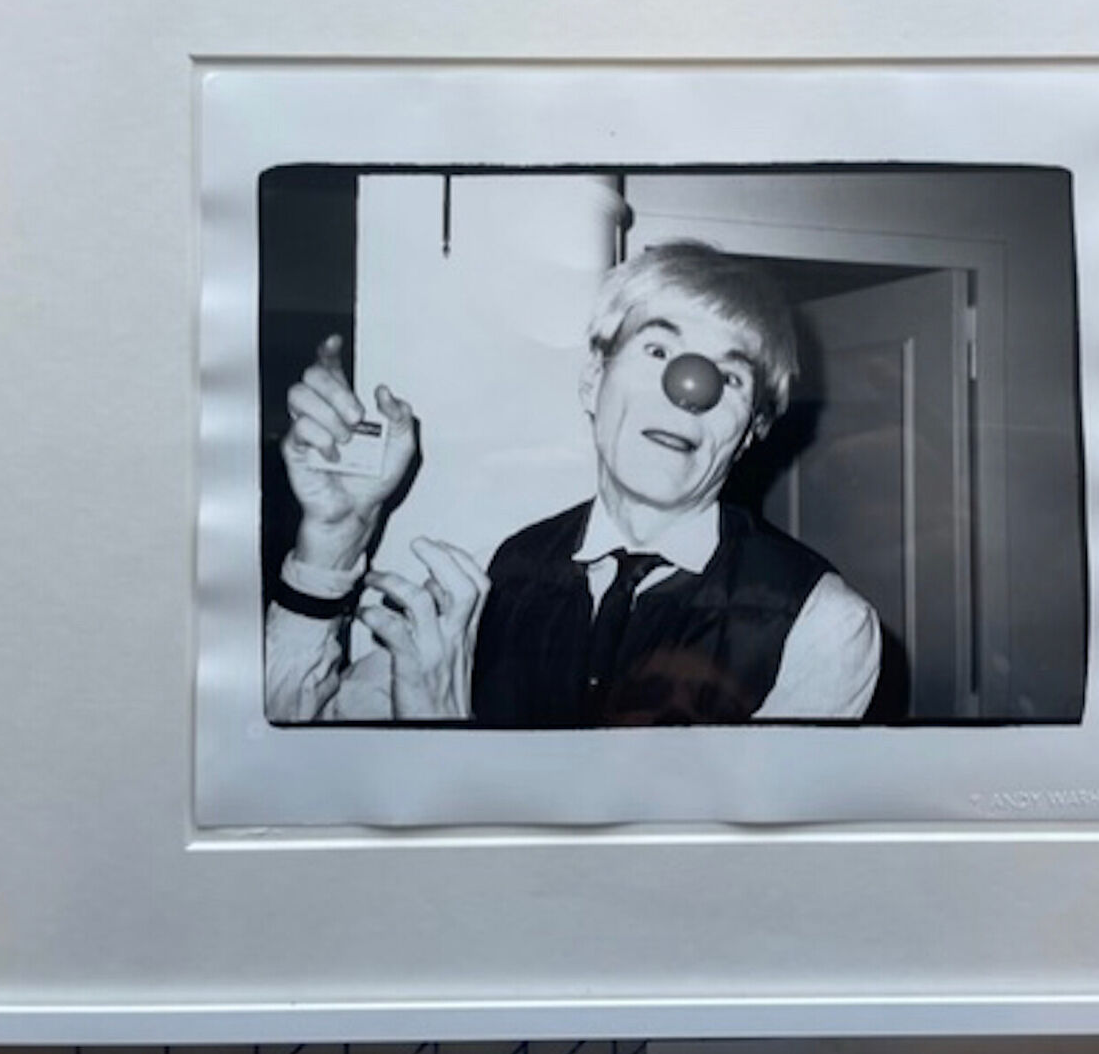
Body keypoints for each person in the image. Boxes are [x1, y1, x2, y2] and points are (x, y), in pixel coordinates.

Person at [264, 241, 881, 726]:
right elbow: (291, 744)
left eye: (731, 377)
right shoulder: (483, 588)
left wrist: (446, 740)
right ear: (593, 381)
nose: (689, 392)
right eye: (659, 352)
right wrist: (333, 540)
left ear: (752, 431)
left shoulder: (821, 625)